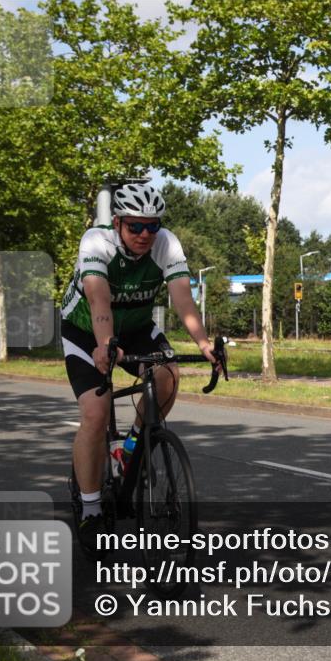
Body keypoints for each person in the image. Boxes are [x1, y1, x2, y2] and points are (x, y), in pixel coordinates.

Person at [60, 182, 216, 551]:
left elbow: (183, 300)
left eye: (152, 226)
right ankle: (92, 509)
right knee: (97, 414)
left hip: (137, 328)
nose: (145, 234)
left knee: (168, 376)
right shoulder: (96, 242)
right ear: (117, 223)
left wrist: (205, 344)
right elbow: (99, 299)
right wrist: (104, 346)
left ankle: (133, 447)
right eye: (136, 226)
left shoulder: (166, 243)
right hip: (86, 330)